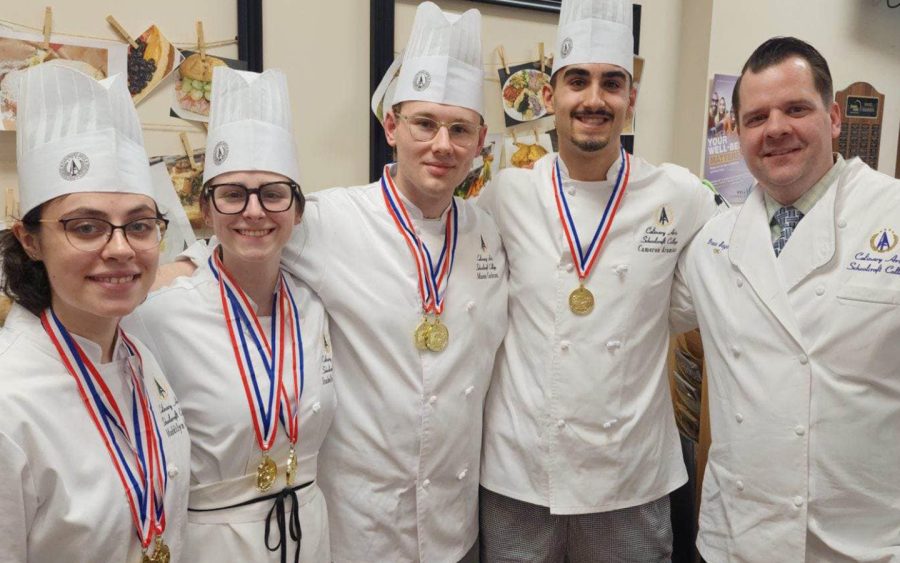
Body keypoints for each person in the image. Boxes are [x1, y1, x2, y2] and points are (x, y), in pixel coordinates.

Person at [161, 3, 508, 561]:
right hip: (359, 528)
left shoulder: (490, 235)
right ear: (391, 125)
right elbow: (244, 231)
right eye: (424, 123)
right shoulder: (328, 219)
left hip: (455, 524)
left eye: (459, 128)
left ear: (479, 140)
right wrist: (165, 274)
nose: (442, 144)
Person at [475, 0, 717, 560]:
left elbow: (733, 265)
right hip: (519, 474)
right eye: (577, 81)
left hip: (631, 477)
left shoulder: (680, 196)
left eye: (613, 83)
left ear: (631, 98)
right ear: (551, 93)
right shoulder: (504, 196)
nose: (593, 99)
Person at [671, 36, 900, 562]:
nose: (776, 129)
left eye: (796, 109)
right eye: (756, 118)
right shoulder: (711, 243)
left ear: (835, 117)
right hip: (734, 539)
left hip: (865, 546)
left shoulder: (891, 213)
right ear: (736, 131)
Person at [124, 67, 334, 562]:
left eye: (274, 194)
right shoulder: (160, 312)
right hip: (213, 543)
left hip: (310, 529)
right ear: (207, 209)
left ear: (298, 211)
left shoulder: (314, 303)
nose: (254, 212)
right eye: (233, 194)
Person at [0, 64, 190, 561]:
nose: (121, 249)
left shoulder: (140, 357)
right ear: (30, 239)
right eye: (86, 228)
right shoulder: (9, 401)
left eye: (140, 225)